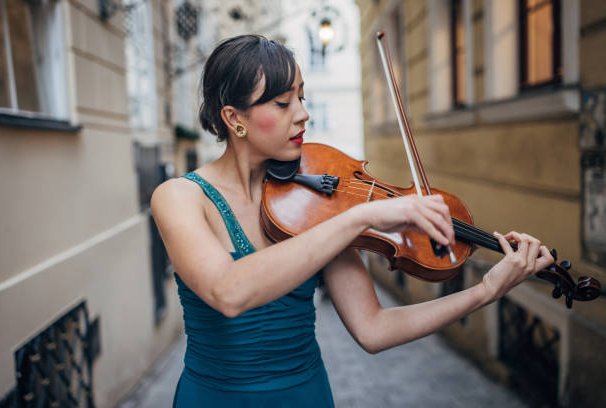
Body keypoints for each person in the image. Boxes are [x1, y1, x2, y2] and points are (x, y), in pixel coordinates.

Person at [150, 34, 554, 407]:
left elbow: (374, 329)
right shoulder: (180, 198)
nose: (303, 114)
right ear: (234, 117)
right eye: (283, 103)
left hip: (306, 395)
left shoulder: (316, 202)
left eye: (303, 98)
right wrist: (362, 215)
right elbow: (228, 293)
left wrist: (484, 291)